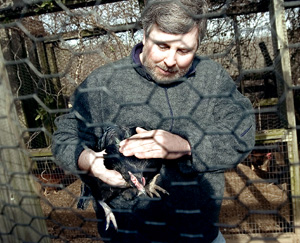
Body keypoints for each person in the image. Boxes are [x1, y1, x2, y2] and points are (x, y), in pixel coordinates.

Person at [52, 0, 256, 242]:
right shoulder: (102, 83)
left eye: (183, 51)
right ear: (145, 35)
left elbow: (243, 131)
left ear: (198, 44)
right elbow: (64, 138)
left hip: (200, 234)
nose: (170, 60)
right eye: (162, 46)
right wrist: (90, 162)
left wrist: (185, 145)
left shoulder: (211, 78)